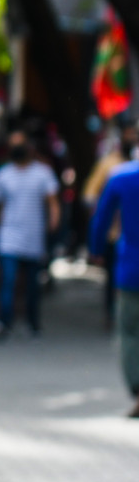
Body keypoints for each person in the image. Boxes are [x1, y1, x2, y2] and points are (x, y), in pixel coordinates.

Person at [0, 131, 60, 340]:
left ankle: (32, 322)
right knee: (8, 280)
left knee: (32, 284)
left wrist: (53, 221)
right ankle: (4, 321)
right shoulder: (3, 174)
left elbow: (52, 202)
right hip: (9, 235)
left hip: (33, 236)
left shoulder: (43, 173)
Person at [88, 155, 139, 418]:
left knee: (130, 332)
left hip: (131, 268)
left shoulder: (121, 176)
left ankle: (138, 391)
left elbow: (101, 218)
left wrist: (96, 249)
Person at [83, 116, 138, 327]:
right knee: (113, 280)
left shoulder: (122, 175)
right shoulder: (110, 166)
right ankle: (111, 314)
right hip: (116, 236)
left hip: (127, 247)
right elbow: (90, 194)